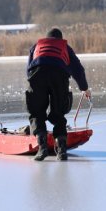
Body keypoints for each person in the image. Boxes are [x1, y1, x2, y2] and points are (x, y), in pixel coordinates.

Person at [26, 28, 91, 161]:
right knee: (58, 113)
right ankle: (61, 151)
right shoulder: (65, 47)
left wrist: (34, 84)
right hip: (59, 76)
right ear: (60, 39)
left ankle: (42, 148)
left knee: (37, 112)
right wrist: (84, 88)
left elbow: (29, 68)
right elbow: (78, 69)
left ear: (47, 38)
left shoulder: (36, 46)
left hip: (37, 75)